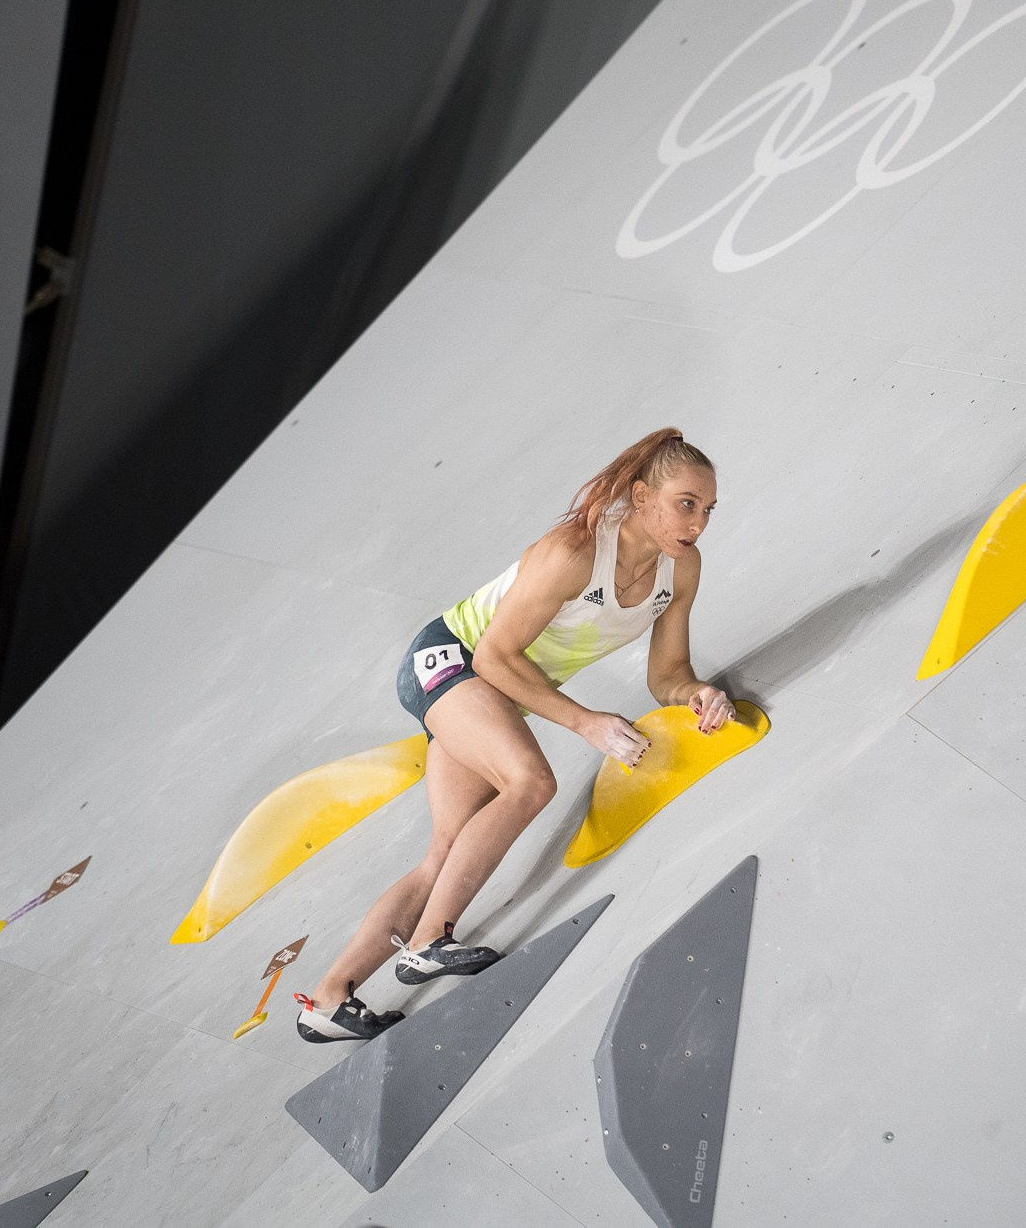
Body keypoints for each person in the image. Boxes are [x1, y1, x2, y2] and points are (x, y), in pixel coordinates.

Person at [294, 428, 732, 1042]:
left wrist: (698, 693)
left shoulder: (679, 571)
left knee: (444, 854)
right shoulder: (575, 552)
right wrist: (586, 722)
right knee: (529, 782)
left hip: (497, 693)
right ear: (641, 496)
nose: (699, 522)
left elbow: (668, 675)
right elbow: (495, 655)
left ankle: (328, 999)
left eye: (709, 508)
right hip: (452, 662)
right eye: (687, 503)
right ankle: (427, 944)